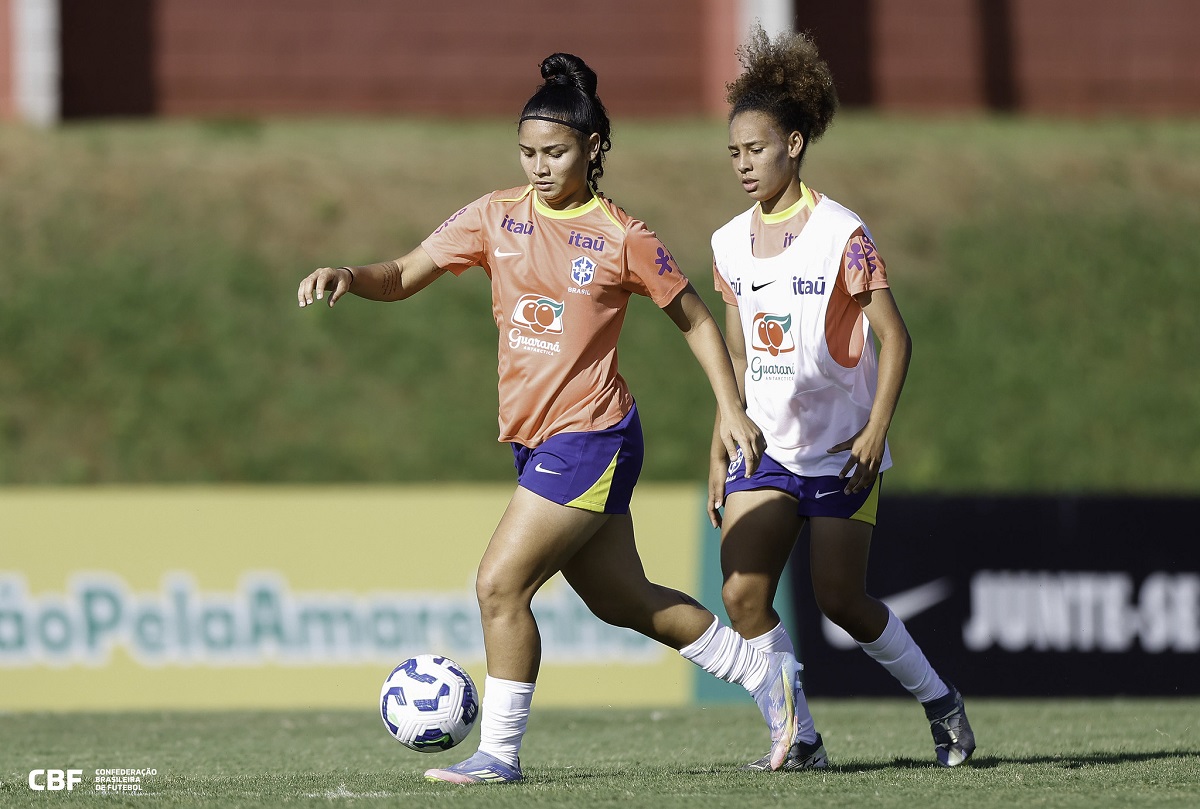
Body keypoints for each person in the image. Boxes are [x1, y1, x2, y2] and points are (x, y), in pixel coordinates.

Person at [298, 53, 799, 784]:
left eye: (555, 152)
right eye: (528, 152)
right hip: (538, 442)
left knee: (500, 585)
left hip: (592, 435)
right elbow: (405, 274)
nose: (538, 166)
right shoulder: (493, 215)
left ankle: (498, 753)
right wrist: (350, 275)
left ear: (593, 148)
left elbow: (693, 319)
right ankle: (765, 672)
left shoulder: (623, 235)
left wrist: (730, 408)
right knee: (625, 601)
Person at [707, 26, 976, 770]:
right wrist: (719, 438)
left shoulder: (841, 233)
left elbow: (897, 336)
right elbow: (734, 351)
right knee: (742, 593)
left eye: (755, 149)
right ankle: (798, 736)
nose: (743, 164)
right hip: (764, 446)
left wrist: (875, 428)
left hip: (839, 451)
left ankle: (941, 701)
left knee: (841, 600)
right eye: (733, 152)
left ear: (794, 143)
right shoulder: (729, 242)